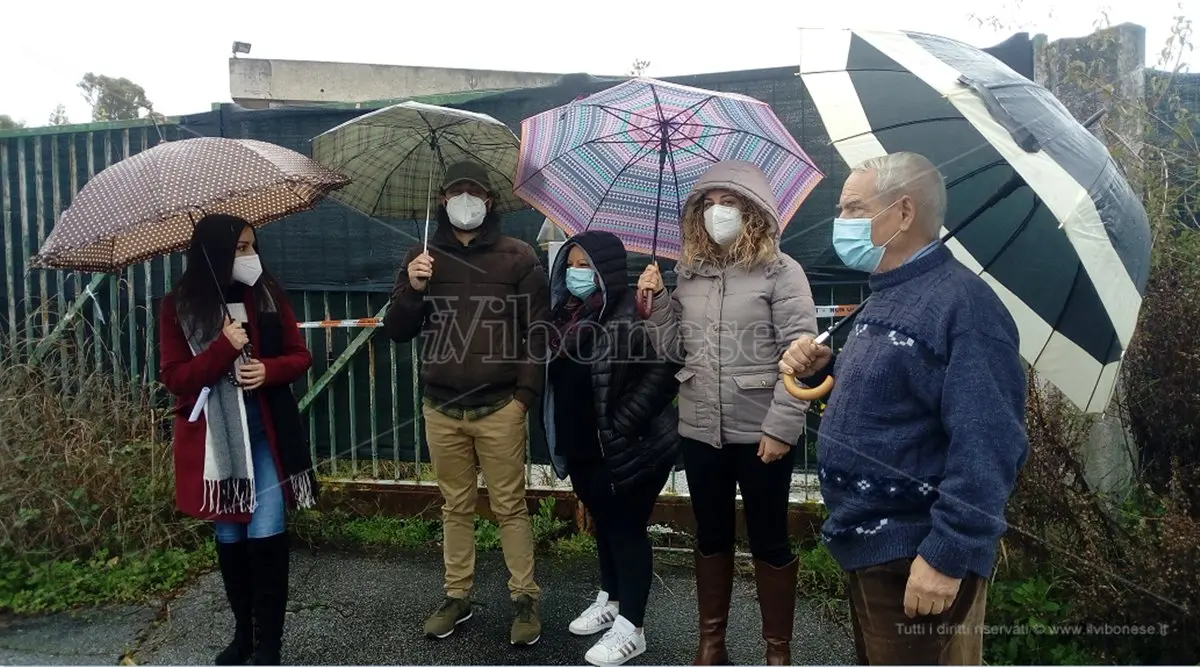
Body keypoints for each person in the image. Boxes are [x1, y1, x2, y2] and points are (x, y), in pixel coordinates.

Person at [779, 152, 1029, 665]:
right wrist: (823, 368)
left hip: (916, 557)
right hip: (873, 548)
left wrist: (947, 554)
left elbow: (990, 442)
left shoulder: (965, 307)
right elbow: (893, 397)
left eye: (852, 208)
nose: (840, 222)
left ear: (904, 213)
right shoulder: (889, 295)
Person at [637, 160, 818, 666]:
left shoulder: (783, 271)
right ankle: (711, 643)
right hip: (699, 429)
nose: (718, 212)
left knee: (769, 539)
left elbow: (800, 355)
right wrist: (658, 302)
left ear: (753, 211)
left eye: (729, 202)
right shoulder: (688, 273)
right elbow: (675, 350)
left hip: (762, 430)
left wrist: (782, 427)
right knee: (711, 535)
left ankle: (776, 650)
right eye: (709, 203)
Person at [384, 161, 550, 647]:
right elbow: (397, 329)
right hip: (441, 408)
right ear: (442, 201)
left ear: (490, 201)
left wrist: (523, 399)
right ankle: (457, 597)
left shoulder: (518, 257)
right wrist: (413, 288)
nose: (464, 199)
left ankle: (525, 599)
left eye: (473, 191)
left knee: (510, 507)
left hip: (500, 407)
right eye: (455, 191)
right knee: (455, 507)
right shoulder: (423, 257)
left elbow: (538, 335)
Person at [159, 214, 316, 666]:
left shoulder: (267, 293)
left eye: (252, 246)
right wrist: (222, 348)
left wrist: (270, 370)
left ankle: (269, 645)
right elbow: (176, 378)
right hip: (218, 447)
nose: (251, 257)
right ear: (215, 253)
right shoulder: (179, 307)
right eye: (241, 248)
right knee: (230, 538)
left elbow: (299, 355)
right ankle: (243, 635)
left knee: (267, 534)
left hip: (266, 434)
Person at [544, 230, 680, 666]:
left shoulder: (632, 309)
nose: (576, 273)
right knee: (604, 522)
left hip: (625, 445)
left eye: (586, 265)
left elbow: (664, 370)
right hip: (582, 443)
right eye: (571, 264)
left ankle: (632, 627)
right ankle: (611, 598)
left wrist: (625, 424)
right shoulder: (565, 313)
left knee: (625, 529)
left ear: (607, 268)